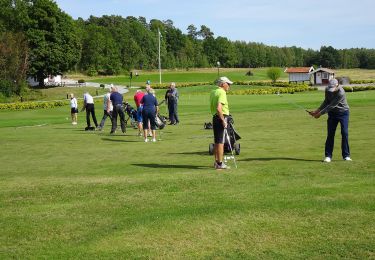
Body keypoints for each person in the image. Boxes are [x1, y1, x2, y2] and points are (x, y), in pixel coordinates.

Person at [309, 78, 352, 162]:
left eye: (333, 88)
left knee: (344, 133)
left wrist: (319, 114)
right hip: (332, 114)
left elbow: (331, 105)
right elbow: (326, 101)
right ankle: (328, 156)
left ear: (337, 85)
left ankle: (346, 155)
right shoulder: (327, 89)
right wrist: (317, 110)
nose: (331, 90)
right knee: (330, 134)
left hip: (343, 113)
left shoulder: (341, 92)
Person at [210, 76, 233, 170]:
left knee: (217, 141)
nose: (229, 86)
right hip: (221, 117)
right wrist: (223, 121)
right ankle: (219, 163)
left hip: (215, 118)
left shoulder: (213, 92)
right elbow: (219, 108)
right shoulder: (222, 92)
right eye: (228, 84)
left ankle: (216, 162)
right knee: (220, 142)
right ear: (223, 84)